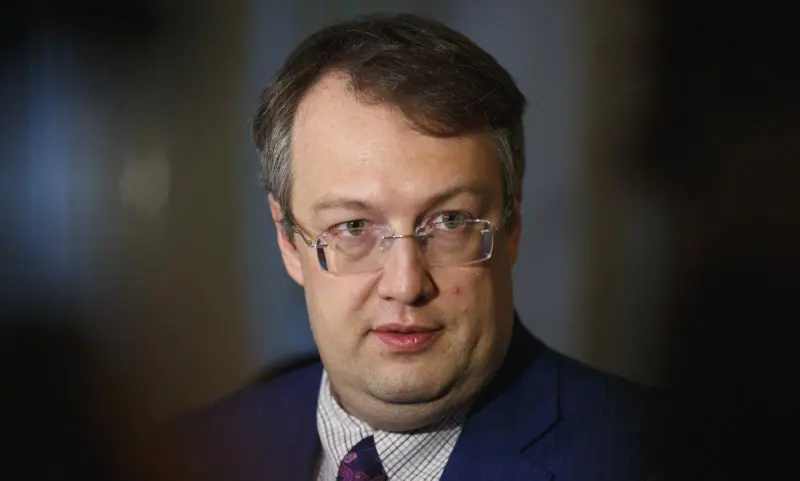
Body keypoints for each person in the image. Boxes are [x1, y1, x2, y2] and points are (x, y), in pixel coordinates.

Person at [164, 13, 659, 481]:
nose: (405, 284)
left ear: (512, 225)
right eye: (354, 226)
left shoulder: (656, 456)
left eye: (449, 222)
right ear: (287, 239)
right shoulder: (186, 456)